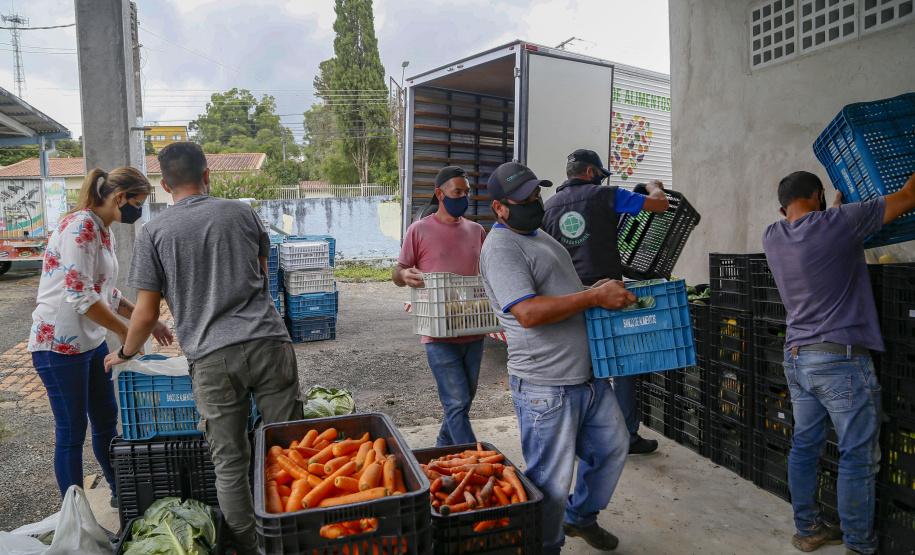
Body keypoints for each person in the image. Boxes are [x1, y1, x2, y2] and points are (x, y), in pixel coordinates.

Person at [103, 142, 302, 555]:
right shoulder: (241, 212)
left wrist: (125, 353)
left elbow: (145, 311)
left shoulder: (154, 234)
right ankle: (294, 534)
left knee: (230, 462)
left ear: (162, 185)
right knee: (289, 446)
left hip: (212, 358)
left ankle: (252, 548)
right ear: (207, 174)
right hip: (267, 341)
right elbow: (263, 275)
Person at [479, 161, 637, 555]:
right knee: (550, 480)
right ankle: (545, 546)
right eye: (525, 198)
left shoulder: (539, 237)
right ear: (500, 207)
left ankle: (579, 517)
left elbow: (561, 290)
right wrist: (592, 297)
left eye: (536, 193)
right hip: (545, 386)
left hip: (586, 377)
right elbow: (528, 312)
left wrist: (591, 287)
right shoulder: (501, 248)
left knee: (612, 448)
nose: (536, 201)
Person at [763, 170, 915, 555]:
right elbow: (908, 197)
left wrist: (832, 209)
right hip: (840, 360)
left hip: (797, 359)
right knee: (857, 457)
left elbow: (815, 228)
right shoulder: (841, 222)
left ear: (783, 209)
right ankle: (860, 546)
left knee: (805, 446)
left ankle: (809, 530)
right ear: (817, 195)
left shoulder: (773, 235)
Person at [29, 167, 174, 506]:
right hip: (58, 347)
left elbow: (105, 292)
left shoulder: (102, 229)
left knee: (107, 421)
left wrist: (144, 319)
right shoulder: (79, 227)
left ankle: (119, 492)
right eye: (138, 202)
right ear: (120, 197)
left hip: (90, 344)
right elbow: (79, 296)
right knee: (71, 432)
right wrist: (125, 331)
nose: (138, 211)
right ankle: (75, 517)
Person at [542, 149, 669, 455]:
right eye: (598, 173)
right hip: (608, 293)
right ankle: (625, 435)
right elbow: (660, 205)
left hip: (570, 297)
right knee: (622, 363)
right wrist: (654, 185)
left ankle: (578, 437)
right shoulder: (607, 195)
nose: (600, 178)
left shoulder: (548, 207)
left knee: (579, 369)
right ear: (589, 172)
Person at [393, 166, 488, 447]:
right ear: (440, 194)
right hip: (438, 331)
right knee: (457, 401)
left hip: (474, 326)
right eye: (458, 192)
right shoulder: (419, 230)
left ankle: (441, 451)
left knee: (463, 400)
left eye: (467, 192)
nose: (464, 197)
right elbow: (398, 272)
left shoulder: (477, 231)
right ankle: (477, 459)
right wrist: (404, 275)